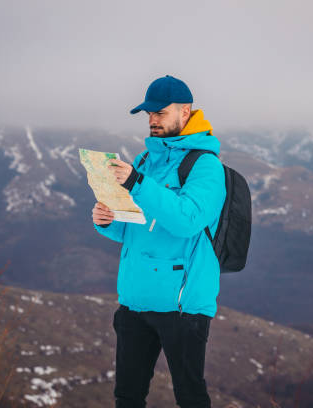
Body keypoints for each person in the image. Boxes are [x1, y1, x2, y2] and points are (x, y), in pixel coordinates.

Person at [92, 75, 226, 408]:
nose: (152, 120)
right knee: (127, 397)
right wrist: (106, 221)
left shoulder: (205, 166)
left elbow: (188, 220)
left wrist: (137, 184)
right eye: (148, 114)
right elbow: (132, 228)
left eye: (160, 113)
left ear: (185, 111)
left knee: (190, 397)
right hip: (135, 302)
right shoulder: (143, 161)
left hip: (182, 307)